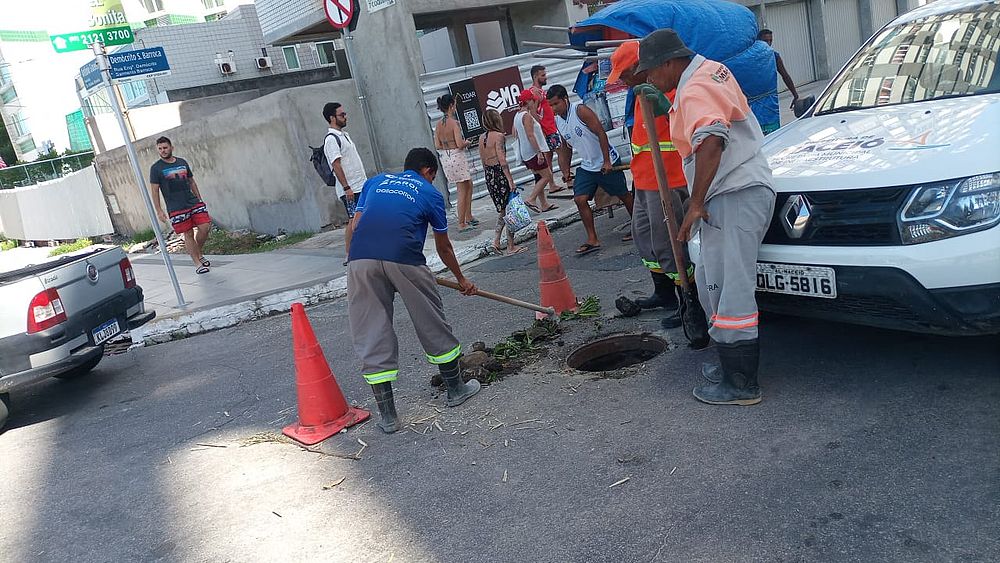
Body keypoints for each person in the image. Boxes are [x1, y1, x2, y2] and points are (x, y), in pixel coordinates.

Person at [636, 29, 776, 405]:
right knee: (713, 280)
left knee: (731, 288)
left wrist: (695, 202)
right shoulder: (708, 71)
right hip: (737, 189)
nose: (649, 78)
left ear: (669, 62)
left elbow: (712, 137)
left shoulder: (695, 87)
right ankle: (730, 364)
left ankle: (741, 382)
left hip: (733, 191)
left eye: (651, 70)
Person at [345, 147, 481, 433]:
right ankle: (456, 390)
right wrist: (461, 279)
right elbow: (444, 246)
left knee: (371, 332)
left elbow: (354, 225)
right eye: (432, 175)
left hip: (360, 260)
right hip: (405, 257)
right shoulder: (430, 193)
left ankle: (389, 418)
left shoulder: (375, 181)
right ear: (428, 171)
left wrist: (355, 263)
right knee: (431, 320)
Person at [607, 40, 695, 329]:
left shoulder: (670, 90)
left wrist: (666, 108)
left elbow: (686, 129)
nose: (622, 80)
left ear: (639, 66)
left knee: (670, 245)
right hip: (644, 180)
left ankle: (690, 301)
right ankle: (664, 293)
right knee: (644, 238)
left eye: (624, 74)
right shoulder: (638, 93)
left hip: (668, 181)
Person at [546, 84, 634, 255]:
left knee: (624, 195)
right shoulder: (558, 121)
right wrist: (565, 170)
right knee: (580, 199)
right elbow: (566, 147)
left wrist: (607, 161)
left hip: (606, 161)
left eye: (556, 104)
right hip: (587, 166)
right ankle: (592, 239)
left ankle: (638, 226)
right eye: (551, 105)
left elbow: (601, 133)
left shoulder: (580, 111)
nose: (554, 108)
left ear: (565, 99)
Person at [149, 136, 212, 274]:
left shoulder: (182, 162)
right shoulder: (156, 168)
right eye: (160, 149)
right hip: (176, 207)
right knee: (188, 233)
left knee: (205, 227)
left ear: (171, 147)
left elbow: (192, 181)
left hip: (193, 202)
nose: (163, 151)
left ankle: (198, 252)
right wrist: (159, 210)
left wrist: (199, 199)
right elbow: (154, 190)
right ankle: (198, 264)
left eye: (165, 148)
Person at [323, 102, 368, 263]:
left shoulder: (344, 135)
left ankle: (363, 249)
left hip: (360, 185)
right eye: (341, 115)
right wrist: (347, 187)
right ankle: (349, 254)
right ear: (332, 118)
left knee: (362, 217)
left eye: (345, 114)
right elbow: (336, 165)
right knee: (353, 219)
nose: (345, 117)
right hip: (350, 188)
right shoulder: (331, 139)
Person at [478, 109, 528, 256]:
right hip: (500, 174)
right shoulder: (499, 136)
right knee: (510, 210)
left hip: (489, 175)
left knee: (503, 210)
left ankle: (496, 241)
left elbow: (483, 161)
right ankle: (510, 245)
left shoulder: (482, 138)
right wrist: (510, 180)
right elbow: (502, 160)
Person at [434, 94, 477, 231]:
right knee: (462, 189)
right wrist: (466, 143)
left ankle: (468, 216)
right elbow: (459, 144)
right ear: (451, 105)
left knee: (468, 184)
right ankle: (461, 223)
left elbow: (437, 145)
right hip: (457, 157)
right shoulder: (454, 124)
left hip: (446, 158)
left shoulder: (438, 124)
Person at [529, 65, 572, 193]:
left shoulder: (540, 91)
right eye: (542, 75)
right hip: (547, 129)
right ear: (535, 76)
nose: (545, 77)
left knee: (549, 156)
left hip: (550, 127)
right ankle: (567, 178)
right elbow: (533, 111)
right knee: (562, 151)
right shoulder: (535, 92)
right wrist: (540, 128)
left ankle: (553, 183)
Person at [513, 90, 556, 214]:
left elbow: (514, 133)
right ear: (528, 101)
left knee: (538, 177)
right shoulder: (526, 116)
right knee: (547, 175)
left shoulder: (517, 115)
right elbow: (530, 135)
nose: (534, 102)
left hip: (525, 152)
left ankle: (544, 203)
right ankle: (531, 199)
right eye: (533, 100)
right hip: (532, 151)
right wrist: (539, 152)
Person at [758, 28, 800, 133]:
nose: (768, 43)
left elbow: (785, 75)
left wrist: (795, 95)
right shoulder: (751, 58)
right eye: (765, 41)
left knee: (772, 131)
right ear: (758, 41)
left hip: (770, 100)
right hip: (754, 100)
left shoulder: (774, 56)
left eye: (770, 40)